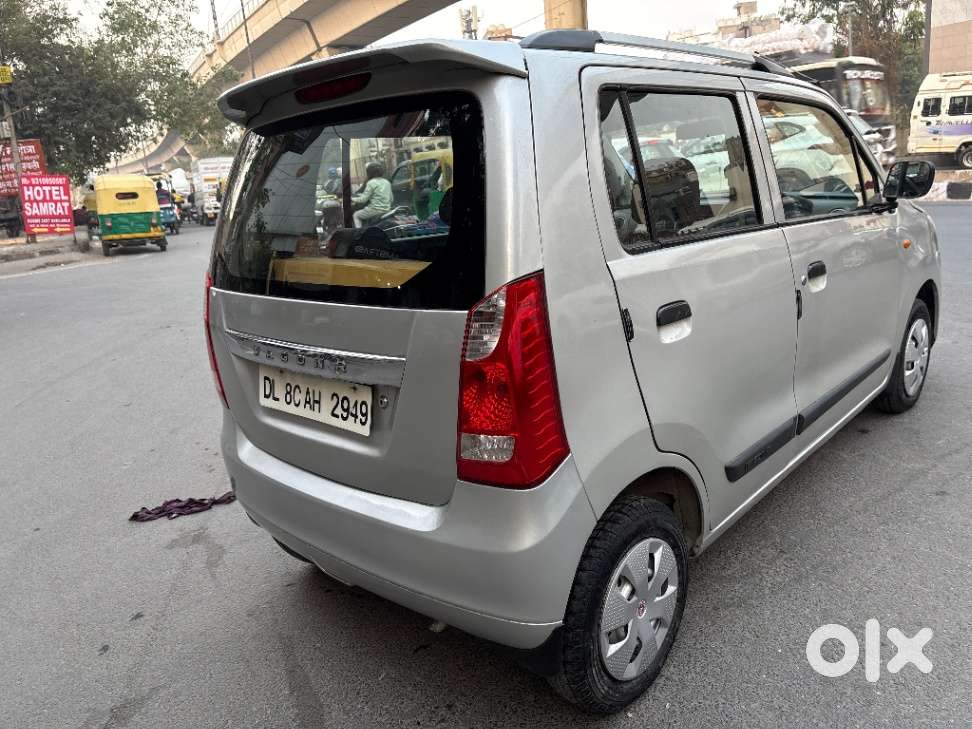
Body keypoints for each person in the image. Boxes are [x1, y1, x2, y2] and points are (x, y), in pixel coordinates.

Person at [351, 161, 392, 228]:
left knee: (356, 215)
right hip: (387, 209)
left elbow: (363, 200)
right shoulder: (387, 182)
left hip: (374, 210)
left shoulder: (371, 182)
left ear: (369, 172)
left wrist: (352, 199)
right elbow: (391, 199)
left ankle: (359, 232)